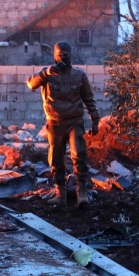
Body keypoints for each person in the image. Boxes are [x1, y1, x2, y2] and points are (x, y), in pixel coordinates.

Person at [26, 40, 100, 207]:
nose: (62, 59)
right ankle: (61, 194)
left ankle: (82, 193)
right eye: (59, 56)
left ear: (71, 56)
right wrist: (45, 73)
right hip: (55, 123)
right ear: (54, 56)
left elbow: (88, 99)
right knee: (56, 160)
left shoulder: (79, 75)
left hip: (74, 121)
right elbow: (31, 84)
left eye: (65, 56)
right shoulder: (46, 75)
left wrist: (95, 120)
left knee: (79, 156)